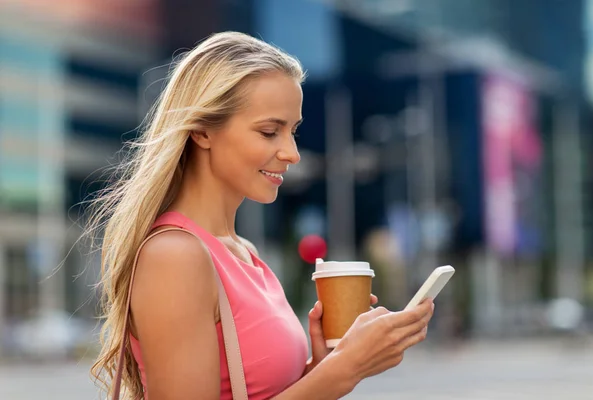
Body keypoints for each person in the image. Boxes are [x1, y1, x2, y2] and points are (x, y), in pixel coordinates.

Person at [87, 31, 435, 400]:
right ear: (203, 130)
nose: (292, 152)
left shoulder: (242, 251)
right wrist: (343, 370)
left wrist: (324, 367)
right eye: (270, 132)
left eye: (293, 131)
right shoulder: (175, 256)